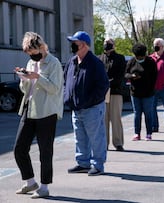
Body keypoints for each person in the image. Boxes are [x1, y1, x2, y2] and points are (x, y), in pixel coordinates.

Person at [13, 32, 64, 199]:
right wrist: (23, 78)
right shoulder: (30, 62)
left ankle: (44, 187)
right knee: (19, 148)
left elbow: (55, 89)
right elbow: (25, 89)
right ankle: (30, 182)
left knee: (45, 151)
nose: (32, 57)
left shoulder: (53, 63)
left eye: (33, 53)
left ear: (41, 48)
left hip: (47, 111)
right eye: (29, 54)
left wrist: (37, 77)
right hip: (29, 108)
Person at [64, 31, 109, 176]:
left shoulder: (95, 63)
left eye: (74, 43)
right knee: (80, 137)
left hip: (92, 108)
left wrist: (89, 101)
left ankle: (98, 165)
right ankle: (83, 163)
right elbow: (66, 81)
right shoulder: (72, 62)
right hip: (76, 108)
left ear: (83, 45)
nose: (72, 46)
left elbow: (103, 86)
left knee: (96, 138)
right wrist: (67, 97)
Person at [125, 43, 158, 141]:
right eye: (137, 57)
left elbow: (154, 77)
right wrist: (132, 76)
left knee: (148, 113)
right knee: (137, 113)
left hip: (148, 93)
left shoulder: (151, 62)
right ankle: (137, 133)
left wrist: (149, 85)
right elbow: (126, 74)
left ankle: (149, 133)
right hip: (135, 93)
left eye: (141, 57)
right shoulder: (131, 62)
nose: (139, 58)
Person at [99, 38, 126, 151]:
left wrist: (107, 83)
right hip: (103, 93)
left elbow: (120, 76)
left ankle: (118, 142)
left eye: (109, 43)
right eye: (105, 43)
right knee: (103, 119)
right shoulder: (100, 59)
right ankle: (104, 143)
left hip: (115, 91)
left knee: (116, 118)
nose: (107, 45)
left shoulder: (120, 58)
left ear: (114, 45)